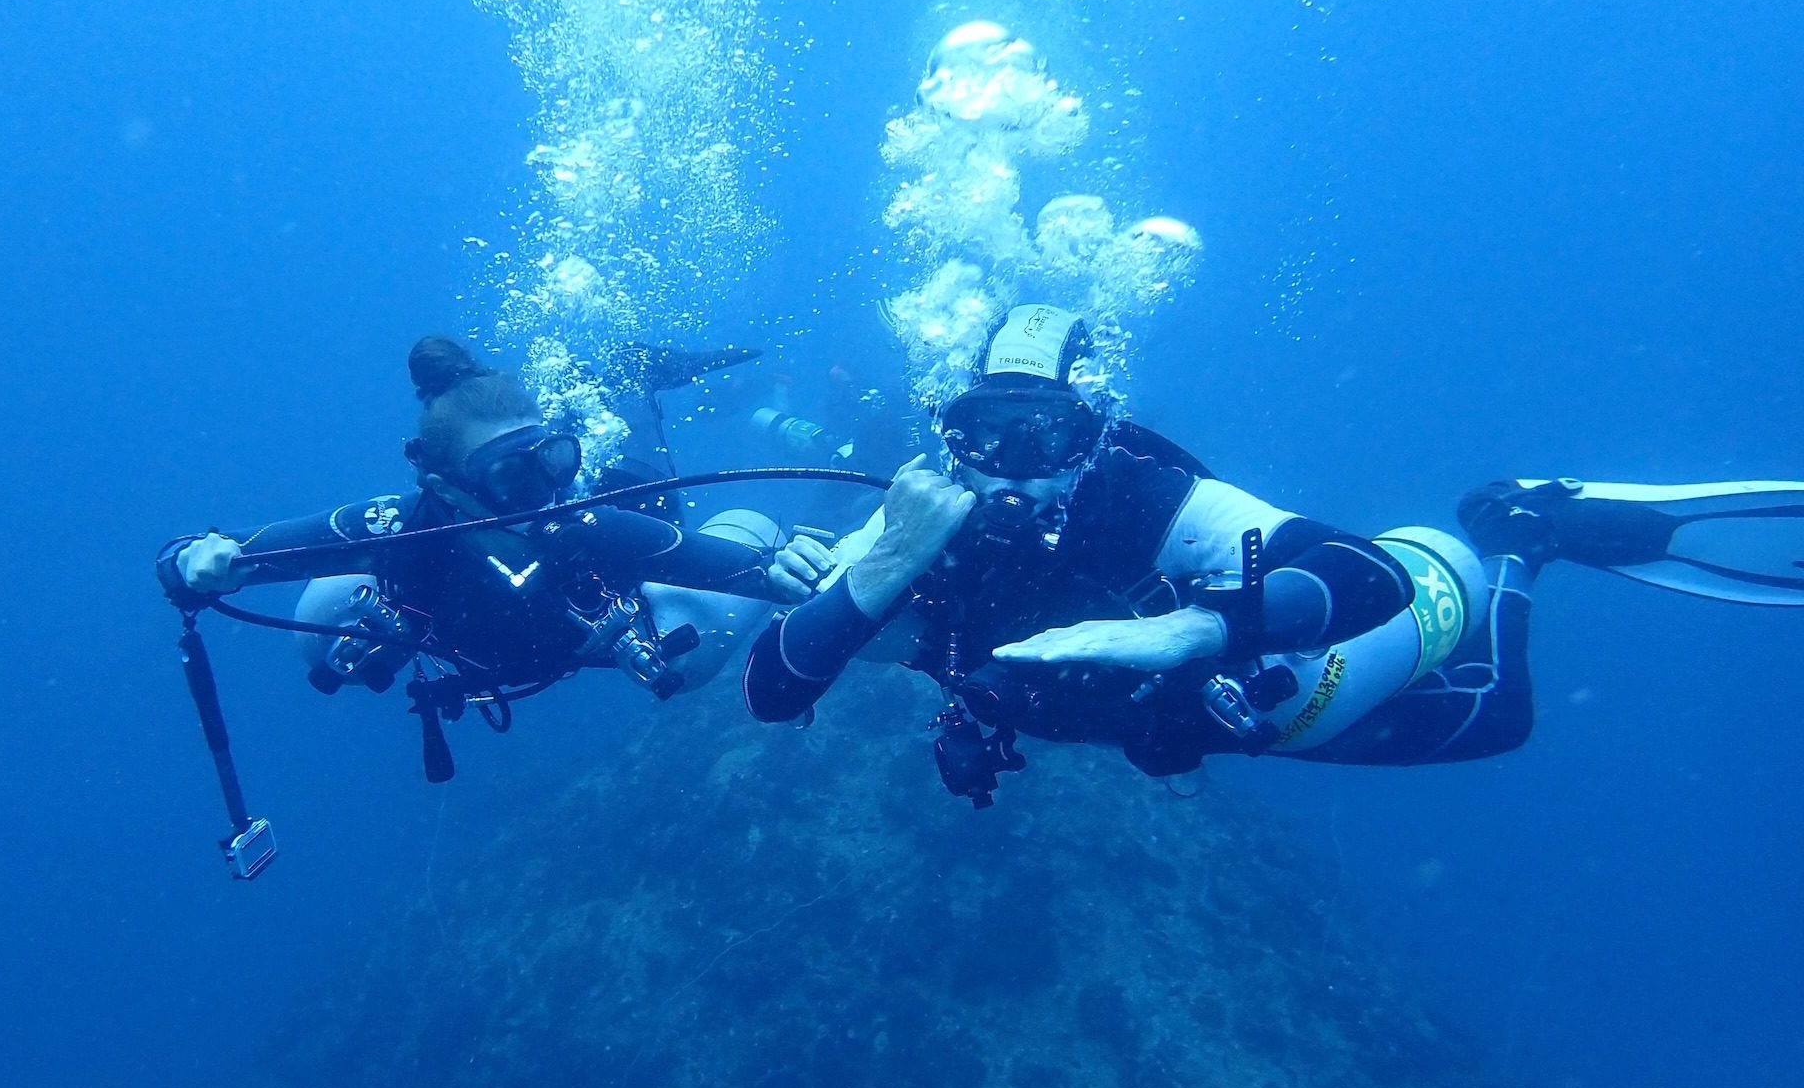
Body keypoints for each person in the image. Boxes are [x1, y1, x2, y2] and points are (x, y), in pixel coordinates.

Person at [744, 305, 1804, 801]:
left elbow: (1364, 575)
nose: (1012, 471)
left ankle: (1525, 539)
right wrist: (872, 572)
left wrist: (1200, 625)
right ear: (947, 434)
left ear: (1094, 434)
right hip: (1134, 722)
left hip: (1272, 676)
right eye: (983, 435)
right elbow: (771, 687)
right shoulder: (914, 530)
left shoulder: (1148, 499)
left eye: (1049, 437)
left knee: (1495, 713)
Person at [159, 336, 830, 720]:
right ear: (446, 485)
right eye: (511, 478)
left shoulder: (585, 519)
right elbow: (193, 558)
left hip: (623, 569)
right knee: (321, 614)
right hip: (480, 637)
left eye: (553, 461)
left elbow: (744, 570)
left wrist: (782, 576)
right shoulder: (399, 525)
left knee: (700, 643)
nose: (544, 494)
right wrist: (203, 562)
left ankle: (630, 377)